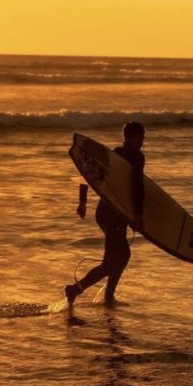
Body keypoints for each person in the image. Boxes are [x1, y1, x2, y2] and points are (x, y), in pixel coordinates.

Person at [65, 121, 145, 306]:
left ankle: (108, 295)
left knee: (121, 256)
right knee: (113, 260)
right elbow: (137, 188)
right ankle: (75, 290)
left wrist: (83, 202)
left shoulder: (114, 154)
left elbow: (87, 172)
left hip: (106, 212)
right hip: (115, 215)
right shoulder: (137, 157)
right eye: (141, 137)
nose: (143, 141)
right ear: (132, 137)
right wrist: (137, 216)